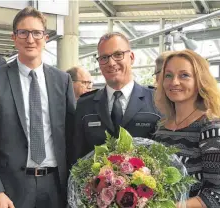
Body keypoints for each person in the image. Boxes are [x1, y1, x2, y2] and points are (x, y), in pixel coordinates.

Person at [0, 6, 75, 208]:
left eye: (37, 33)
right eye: (23, 33)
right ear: (14, 37)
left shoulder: (62, 80)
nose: (30, 39)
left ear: (46, 38)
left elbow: (72, 135)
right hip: (11, 189)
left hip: (55, 186)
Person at [69, 32, 160, 166]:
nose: (111, 63)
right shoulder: (85, 105)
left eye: (118, 55)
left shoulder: (156, 100)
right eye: (104, 57)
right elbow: (77, 156)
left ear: (132, 57)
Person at [152, 49, 220, 208]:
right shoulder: (161, 127)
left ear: (199, 81)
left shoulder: (211, 128)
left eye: (184, 75)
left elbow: (217, 194)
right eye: (168, 75)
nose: (174, 82)